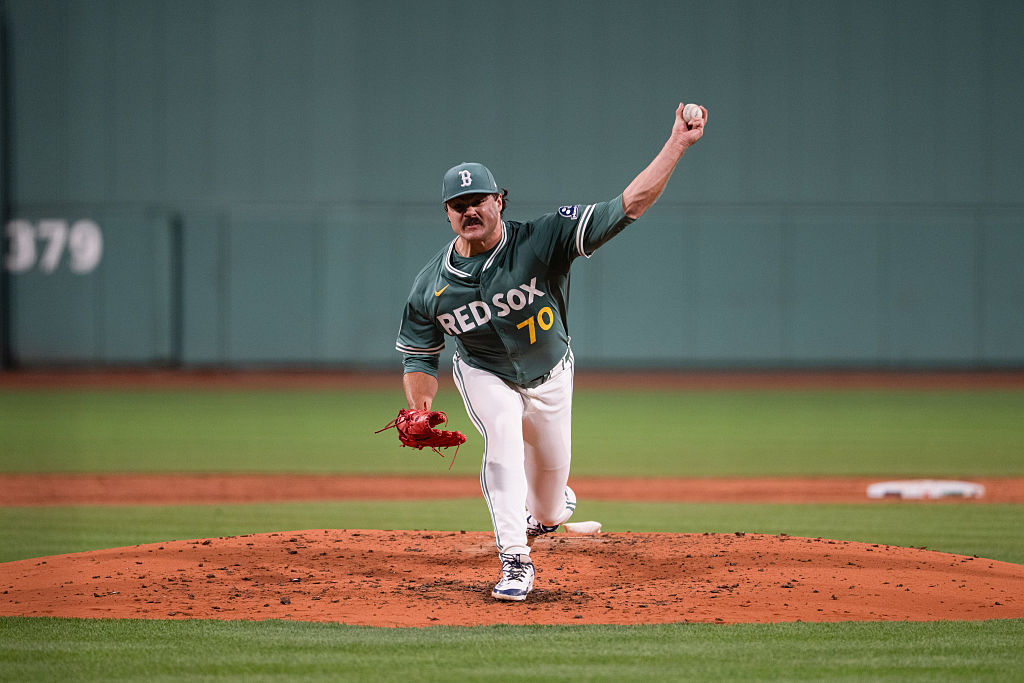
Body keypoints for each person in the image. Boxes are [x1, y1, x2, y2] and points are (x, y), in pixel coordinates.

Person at [393, 102, 707, 601]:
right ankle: (516, 563)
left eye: (480, 198)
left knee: (548, 508)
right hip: (483, 373)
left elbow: (628, 205)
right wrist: (419, 404)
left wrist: (678, 143)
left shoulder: (544, 238)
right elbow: (418, 353)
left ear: (500, 200)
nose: (470, 209)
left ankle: (550, 511)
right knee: (500, 439)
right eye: (459, 203)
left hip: (552, 376)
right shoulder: (429, 285)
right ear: (448, 214)